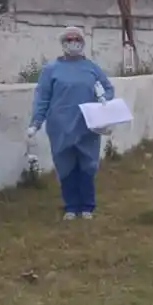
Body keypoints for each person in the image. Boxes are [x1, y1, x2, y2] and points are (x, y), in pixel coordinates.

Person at [28, 26, 115, 220]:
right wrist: (36, 122)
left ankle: (87, 206)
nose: (72, 42)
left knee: (87, 165)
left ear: (82, 43)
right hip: (60, 126)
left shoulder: (92, 68)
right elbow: (42, 97)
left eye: (76, 39)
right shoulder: (51, 70)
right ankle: (70, 206)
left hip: (87, 125)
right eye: (68, 40)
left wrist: (104, 99)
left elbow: (108, 89)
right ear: (62, 43)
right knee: (65, 165)